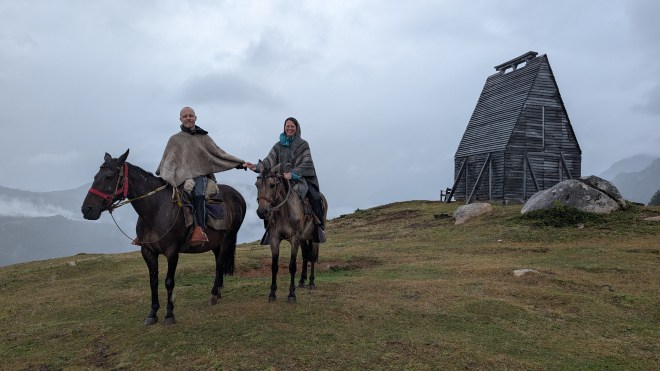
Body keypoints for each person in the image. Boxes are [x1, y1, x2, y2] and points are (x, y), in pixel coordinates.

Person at [156, 106, 249, 245]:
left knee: (198, 194)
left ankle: (200, 229)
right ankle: (148, 231)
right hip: (181, 177)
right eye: (185, 116)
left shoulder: (204, 137)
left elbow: (219, 154)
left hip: (201, 177)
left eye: (190, 115)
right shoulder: (175, 140)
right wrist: (166, 174)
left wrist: (239, 164)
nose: (188, 118)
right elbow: (167, 161)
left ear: (195, 118)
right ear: (180, 119)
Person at [248, 116, 325, 243]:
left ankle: (318, 227)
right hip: (280, 181)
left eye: (292, 127)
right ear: (284, 128)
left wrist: (293, 174)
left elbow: (307, 163)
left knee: (316, 197)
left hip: (300, 180)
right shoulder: (278, 146)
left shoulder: (303, 144)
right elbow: (269, 161)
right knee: (269, 200)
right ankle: (270, 230)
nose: (289, 129)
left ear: (296, 128)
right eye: (287, 126)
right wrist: (256, 167)